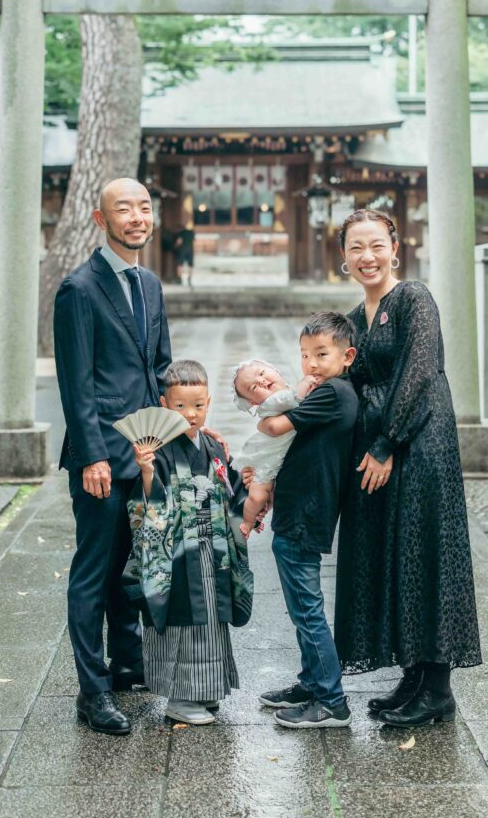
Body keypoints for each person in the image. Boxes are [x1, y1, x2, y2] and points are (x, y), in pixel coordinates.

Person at [334, 208, 482, 729]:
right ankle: (413, 675)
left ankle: (438, 687)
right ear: (344, 256)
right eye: (356, 247)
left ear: (395, 248)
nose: (367, 257)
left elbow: (420, 372)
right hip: (381, 448)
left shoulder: (414, 298)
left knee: (427, 554)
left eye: (376, 245)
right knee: (395, 557)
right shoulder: (354, 317)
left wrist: (386, 441)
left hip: (420, 443)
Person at [54, 177, 172, 736]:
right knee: (93, 571)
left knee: (131, 569)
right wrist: (91, 457)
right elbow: (75, 384)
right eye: (123, 209)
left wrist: (185, 428)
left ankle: (128, 665)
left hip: (145, 450)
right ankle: (92, 691)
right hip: (100, 455)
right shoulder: (79, 288)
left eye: (144, 207)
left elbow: (158, 369)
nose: (136, 217)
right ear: (101, 220)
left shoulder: (150, 283)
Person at [129, 360, 253, 726]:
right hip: (178, 556)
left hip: (213, 550)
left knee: (211, 622)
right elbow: (146, 508)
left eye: (198, 405)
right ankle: (180, 698)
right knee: (183, 623)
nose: (190, 414)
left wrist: (247, 498)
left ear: (209, 402)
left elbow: (230, 490)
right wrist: (147, 470)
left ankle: (207, 688)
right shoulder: (159, 449)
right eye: (181, 406)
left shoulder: (213, 445)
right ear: (164, 405)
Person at [256, 311, 359, 729]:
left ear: (347, 355)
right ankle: (312, 682)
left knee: (307, 609)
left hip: (305, 514)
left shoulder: (332, 393)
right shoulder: (336, 391)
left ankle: (331, 700)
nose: (311, 364)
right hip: (301, 509)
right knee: (303, 607)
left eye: (321, 354)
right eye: (304, 356)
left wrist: (269, 404)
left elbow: (272, 426)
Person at [231, 359, 317, 537]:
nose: (261, 381)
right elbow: (292, 398)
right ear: (254, 403)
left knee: (262, 496)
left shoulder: (285, 396)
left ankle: (254, 518)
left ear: (275, 370)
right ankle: (247, 522)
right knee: (257, 496)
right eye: (254, 388)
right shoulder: (274, 402)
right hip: (266, 461)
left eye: (262, 373)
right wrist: (306, 382)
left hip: (277, 459)